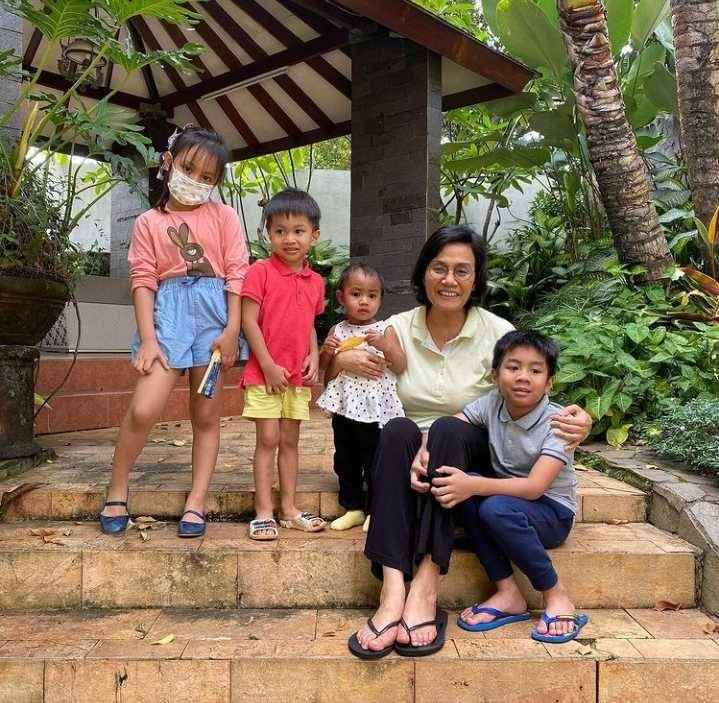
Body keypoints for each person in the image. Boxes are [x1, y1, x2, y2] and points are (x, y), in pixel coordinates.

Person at [336, 225, 592, 659]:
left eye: (462, 270)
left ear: (476, 279)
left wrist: (582, 418)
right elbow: (341, 368)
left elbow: (532, 389)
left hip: (468, 454)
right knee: (396, 429)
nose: (449, 280)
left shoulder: (498, 332)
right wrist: (341, 356)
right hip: (408, 452)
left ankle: (427, 583)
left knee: (449, 429)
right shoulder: (395, 328)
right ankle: (393, 589)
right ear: (423, 273)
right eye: (439, 268)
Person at [99, 125, 249, 538]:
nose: (196, 180)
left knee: (206, 413)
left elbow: (238, 274)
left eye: (207, 177)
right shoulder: (148, 222)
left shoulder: (224, 217)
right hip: (168, 318)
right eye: (189, 168)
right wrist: (148, 338)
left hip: (214, 317)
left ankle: (196, 501)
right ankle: (117, 487)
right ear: (168, 162)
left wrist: (232, 330)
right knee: (144, 408)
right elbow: (143, 280)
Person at [448, 330, 588, 643]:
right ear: (495, 376)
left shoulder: (560, 424)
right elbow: (454, 423)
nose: (523, 377)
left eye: (535, 371)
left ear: (549, 382)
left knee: (488, 501)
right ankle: (508, 593)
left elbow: (535, 488)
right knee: (464, 492)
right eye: (513, 367)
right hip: (506, 503)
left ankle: (556, 594)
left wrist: (474, 484)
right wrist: (425, 447)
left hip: (552, 513)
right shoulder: (492, 403)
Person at [241, 188, 326, 541]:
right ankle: (264, 511)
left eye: (298, 231)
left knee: (290, 440)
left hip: (296, 377)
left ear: (313, 236)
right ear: (269, 234)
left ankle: (289, 509)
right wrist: (267, 365)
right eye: (280, 231)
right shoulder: (259, 272)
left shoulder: (315, 281)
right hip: (264, 375)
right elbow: (248, 321)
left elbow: (309, 324)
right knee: (268, 439)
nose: (289, 239)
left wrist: (314, 354)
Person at [317, 263, 406, 532]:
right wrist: (327, 352)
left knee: (375, 458)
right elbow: (325, 373)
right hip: (345, 407)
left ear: (380, 299)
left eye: (372, 295)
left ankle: (376, 510)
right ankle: (353, 507)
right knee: (345, 458)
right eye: (356, 294)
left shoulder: (384, 329)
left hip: (375, 409)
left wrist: (385, 346)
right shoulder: (337, 331)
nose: (364, 301)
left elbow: (400, 365)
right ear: (341, 297)